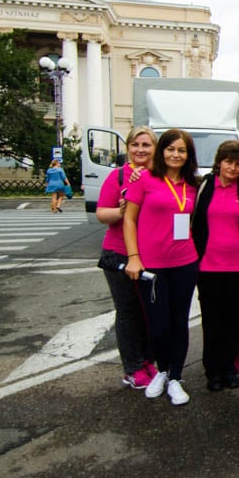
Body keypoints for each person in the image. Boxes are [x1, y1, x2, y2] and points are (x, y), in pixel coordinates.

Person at [123, 129, 200, 406]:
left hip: (184, 263)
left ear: (188, 155)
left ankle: (176, 377)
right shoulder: (144, 179)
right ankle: (163, 371)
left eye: (181, 150)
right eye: (170, 149)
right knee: (158, 326)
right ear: (161, 151)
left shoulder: (194, 185)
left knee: (179, 323)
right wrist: (134, 257)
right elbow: (129, 220)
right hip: (151, 267)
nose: (175, 155)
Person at [192, 140, 239, 392]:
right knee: (211, 321)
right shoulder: (204, 187)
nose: (233, 168)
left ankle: (230, 369)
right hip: (208, 267)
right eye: (229, 162)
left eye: (238, 164)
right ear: (219, 162)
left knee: (234, 322)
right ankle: (213, 370)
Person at [95, 126, 158, 390]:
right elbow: (101, 214)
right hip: (119, 254)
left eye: (146, 145)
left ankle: (147, 361)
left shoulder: (158, 177)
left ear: (154, 148)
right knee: (129, 312)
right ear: (128, 148)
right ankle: (132, 368)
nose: (140, 150)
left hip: (152, 255)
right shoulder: (118, 176)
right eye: (135, 145)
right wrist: (121, 212)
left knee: (149, 312)